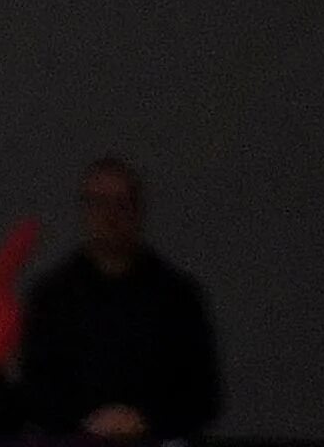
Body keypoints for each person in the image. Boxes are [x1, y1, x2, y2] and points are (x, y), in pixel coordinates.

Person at [17, 157, 221, 441]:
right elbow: (35, 389)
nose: (110, 215)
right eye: (99, 203)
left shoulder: (179, 297)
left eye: (122, 204)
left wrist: (146, 420)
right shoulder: (51, 298)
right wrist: (87, 422)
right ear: (84, 210)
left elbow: (203, 394)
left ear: (139, 210)